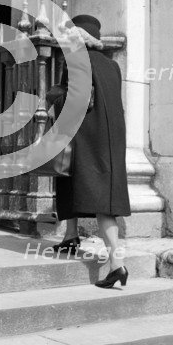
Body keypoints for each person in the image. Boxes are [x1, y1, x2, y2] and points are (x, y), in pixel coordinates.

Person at [47, 15, 130, 289]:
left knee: (97, 195)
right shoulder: (113, 66)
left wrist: (51, 102)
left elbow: (70, 100)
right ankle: (70, 237)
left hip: (86, 133)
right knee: (89, 185)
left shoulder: (74, 61)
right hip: (112, 136)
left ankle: (117, 264)